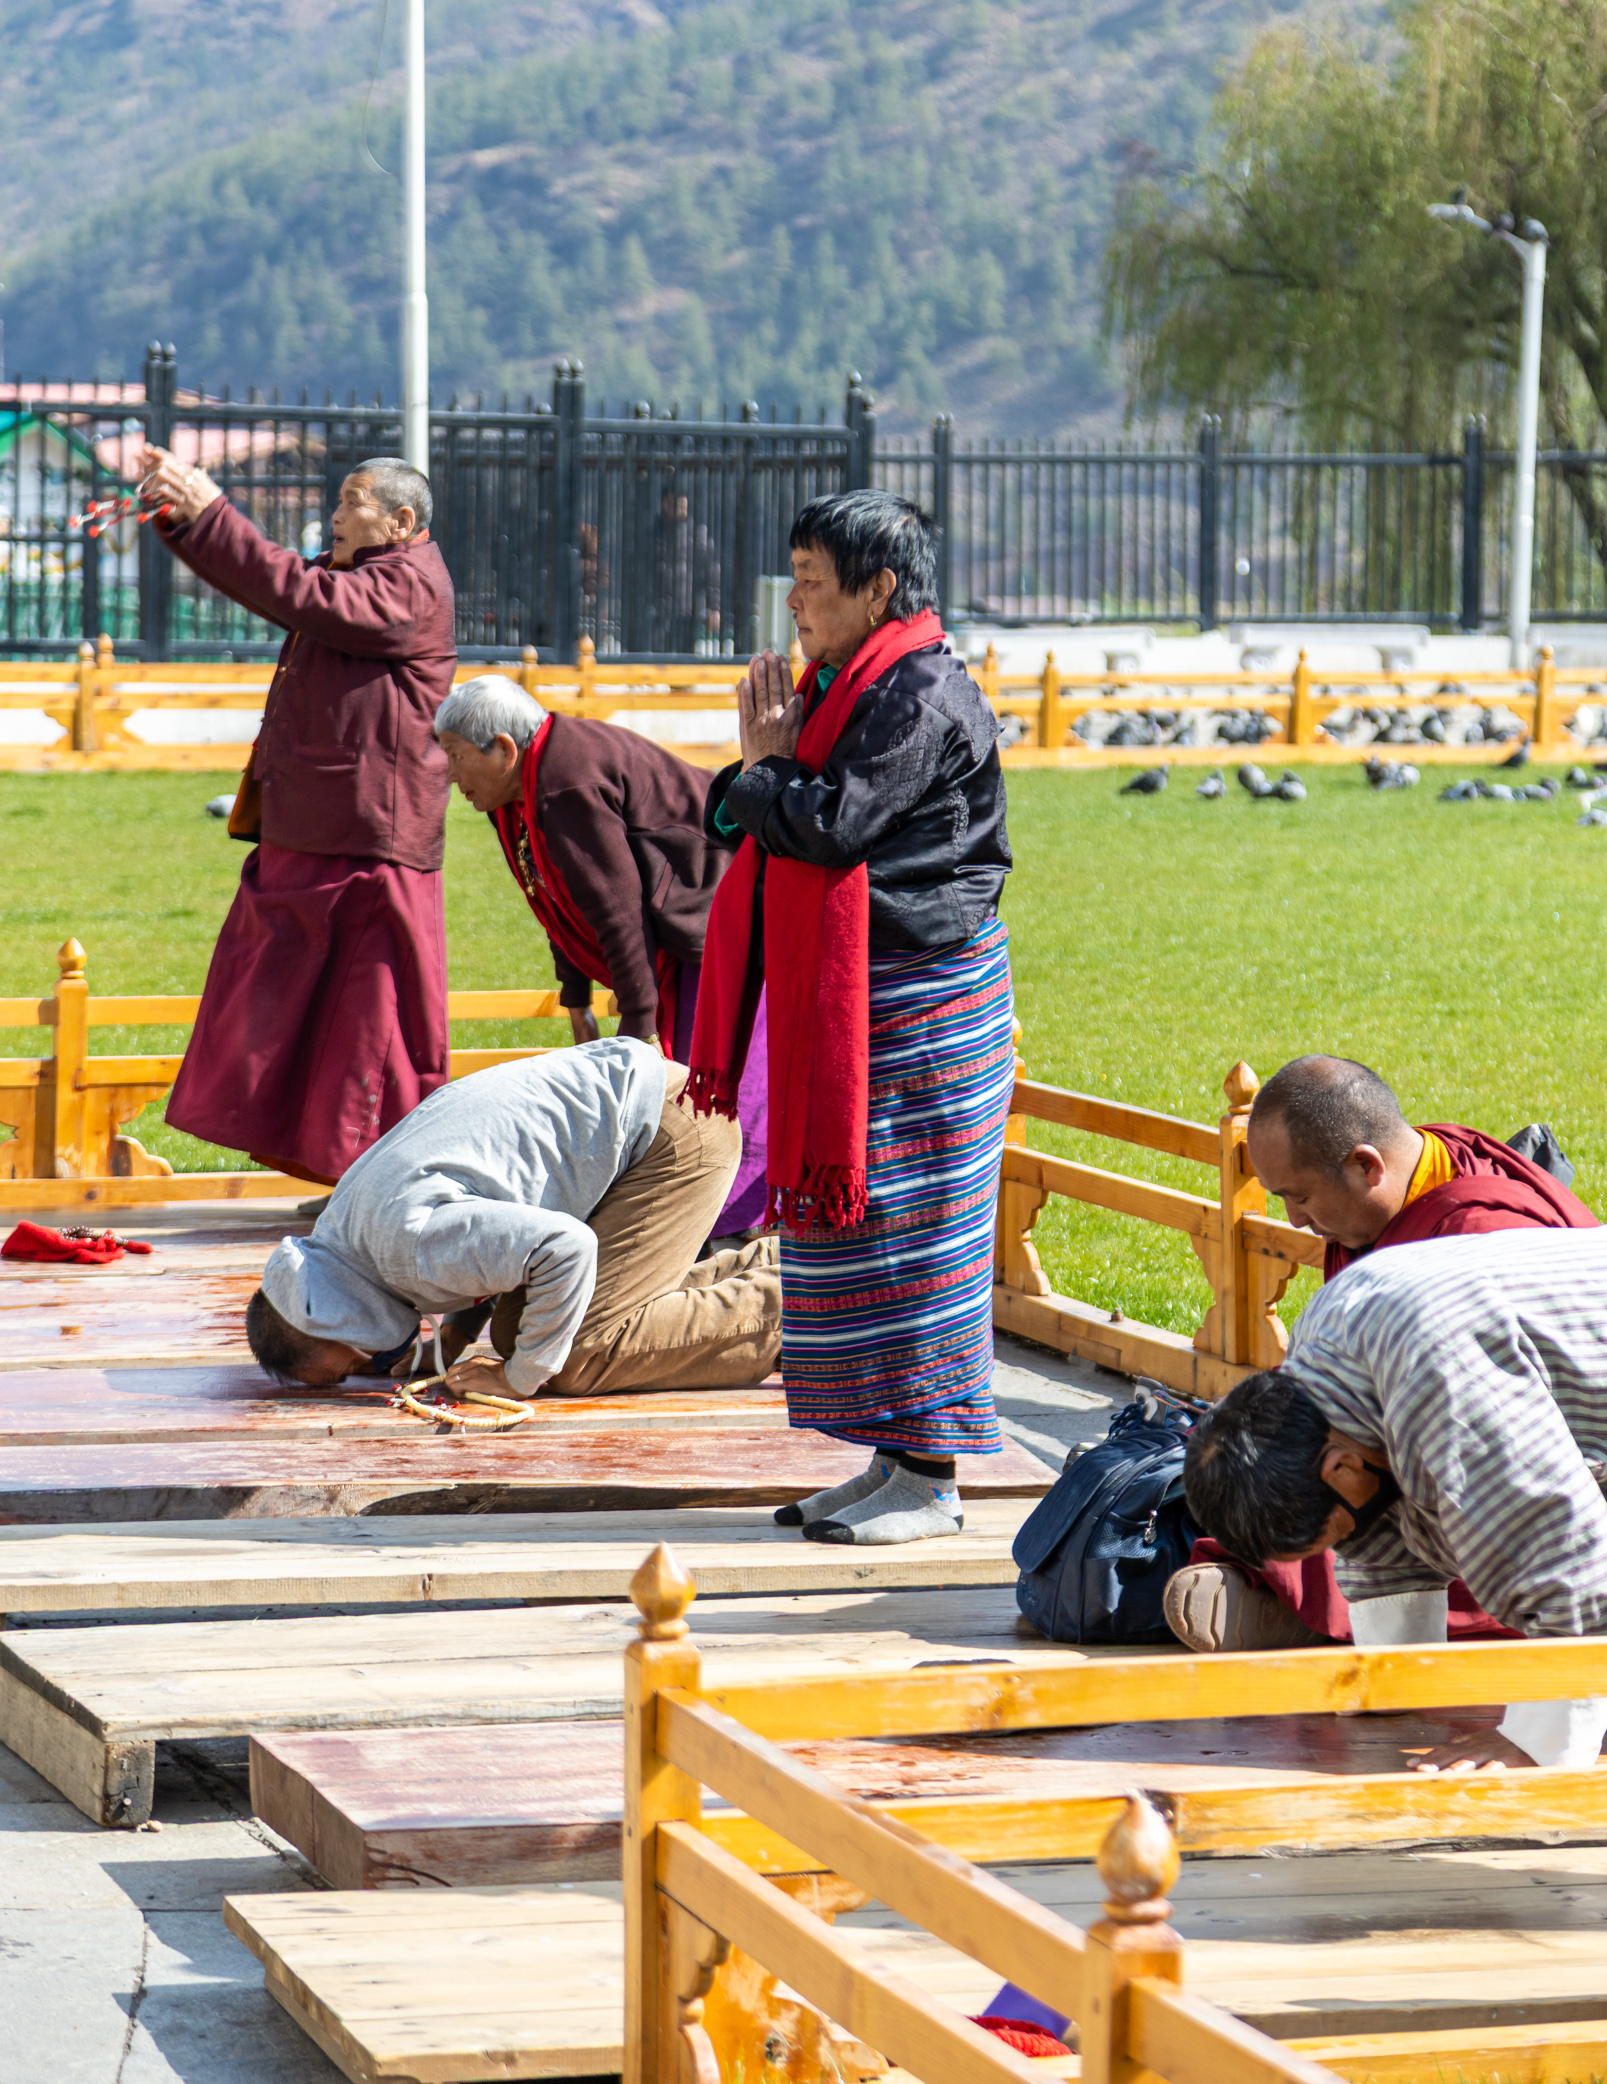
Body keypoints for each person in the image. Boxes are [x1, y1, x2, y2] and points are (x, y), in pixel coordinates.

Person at [690, 489, 1013, 1546]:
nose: (794, 602)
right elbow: (762, 808)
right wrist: (759, 774)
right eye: (793, 578)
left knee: (920, 1236)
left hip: (924, 1000)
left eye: (811, 582)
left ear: (878, 591)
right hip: (860, 1000)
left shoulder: (918, 692)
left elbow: (827, 826)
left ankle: (933, 1480)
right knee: (862, 1237)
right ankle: (889, 1463)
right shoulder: (848, 685)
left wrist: (762, 770)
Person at [1166, 1055, 1598, 1652]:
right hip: (1428, 1456)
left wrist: (1545, 1719)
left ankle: (1301, 1611)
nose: (1296, 1220)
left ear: (1367, 1166)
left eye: (1300, 1196)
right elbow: (1374, 1528)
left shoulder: (1467, 1264)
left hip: (1547, 1472)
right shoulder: (1344, 1296)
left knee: (1430, 1520)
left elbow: (1562, 1559)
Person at [137, 445, 456, 1185]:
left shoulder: (410, 585)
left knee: (368, 1026)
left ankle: (381, 1183)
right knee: (287, 1002)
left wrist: (214, 513)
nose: (335, 515)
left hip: (371, 844)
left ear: (400, 521)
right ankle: (340, 1177)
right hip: (317, 825)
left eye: (352, 502)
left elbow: (295, 591)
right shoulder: (360, 576)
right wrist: (185, 519)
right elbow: (274, 584)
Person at [1182, 1227, 1607, 1773]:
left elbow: (1568, 1562)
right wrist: (1391, 1679)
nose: (1346, 1543)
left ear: (1341, 1468)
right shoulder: (1324, 1375)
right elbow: (1382, 1526)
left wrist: (1534, 1742)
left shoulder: (1440, 1385)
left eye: (1333, 1535)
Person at [246, 1040, 781, 1398]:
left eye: (348, 1367)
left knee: (579, 1356)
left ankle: (803, 1305)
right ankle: (786, 1264)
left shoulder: (407, 1248)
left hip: (676, 1132)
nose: (367, 1367)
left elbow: (565, 1247)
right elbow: (480, 1231)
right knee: (520, 1331)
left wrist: (518, 1379)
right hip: (645, 1109)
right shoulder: (352, 1231)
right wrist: (456, 1336)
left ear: (338, 1316)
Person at [433, 674, 768, 1237]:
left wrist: (640, 1029)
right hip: (673, 937)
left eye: (457, 755)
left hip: (710, 919)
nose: (449, 773)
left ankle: (723, 1234)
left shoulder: (566, 783)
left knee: (699, 1097)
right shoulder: (514, 791)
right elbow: (551, 895)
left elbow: (618, 910)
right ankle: (698, 1230)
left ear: (506, 750)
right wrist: (577, 1001)